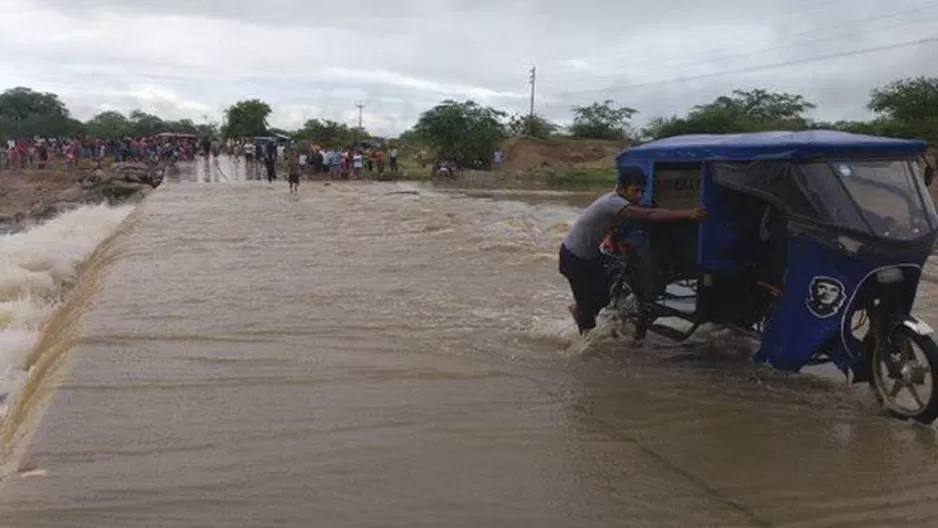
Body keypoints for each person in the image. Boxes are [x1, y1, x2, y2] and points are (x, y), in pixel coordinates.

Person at [558, 166, 706, 335]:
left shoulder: (622, 203)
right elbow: (650, 215)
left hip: (592, 255)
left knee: (603, 298)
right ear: (620, 189)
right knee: (588, 312)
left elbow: (615, 229)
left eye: (642, 191)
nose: (639, 196)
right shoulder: (613, 202)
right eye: (635, 191)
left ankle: (586, 317)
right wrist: (688, 214)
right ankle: (583, 343)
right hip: (574, 257)